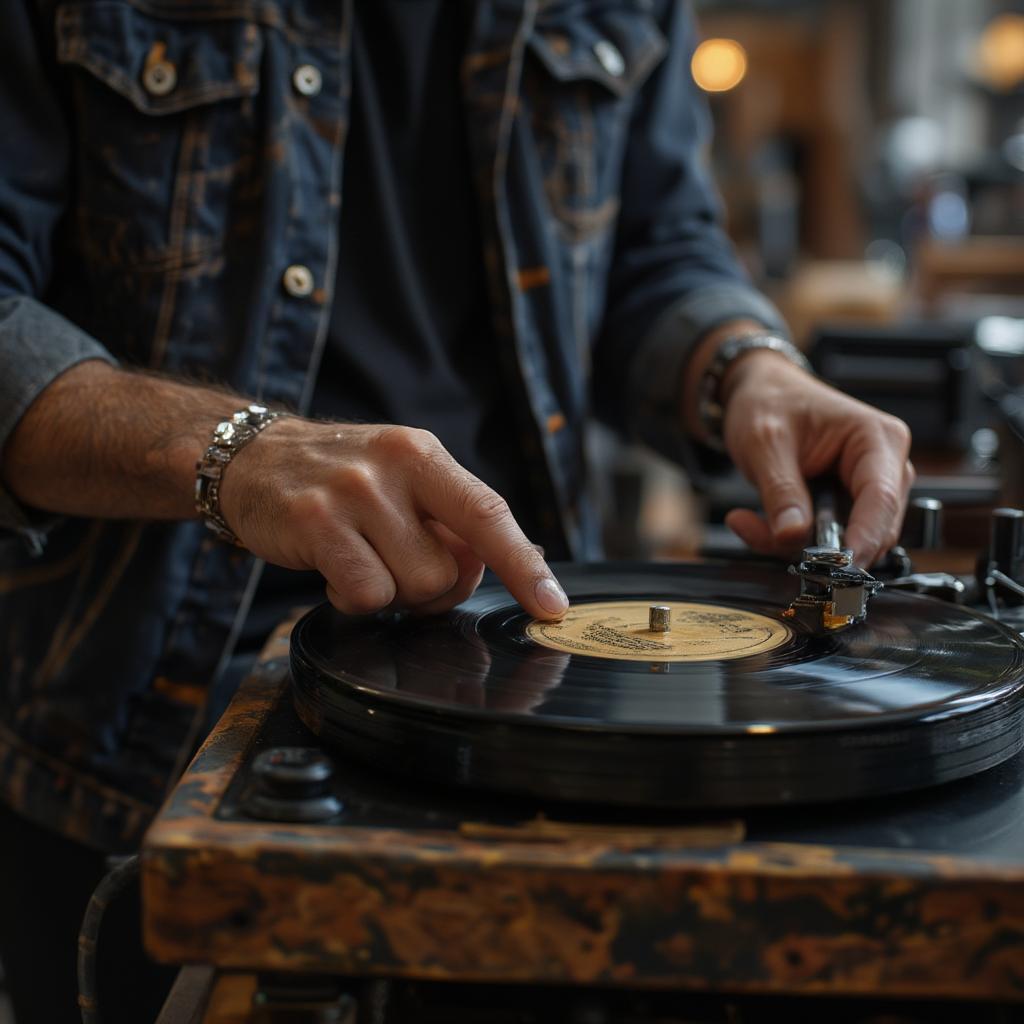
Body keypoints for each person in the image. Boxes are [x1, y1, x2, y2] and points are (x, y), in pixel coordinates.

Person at [0, 1, 913, 1021]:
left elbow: (655, 248)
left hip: (538, 702)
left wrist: (744, 367)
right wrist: (235, 453)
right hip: (140, 736)